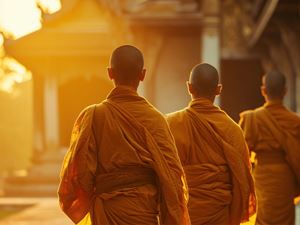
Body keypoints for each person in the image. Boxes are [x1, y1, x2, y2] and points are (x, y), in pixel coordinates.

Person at [58, 45, 190, 225]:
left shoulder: (94, 116)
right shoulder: (157, 120)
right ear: (142, 75)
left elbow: (79, 172)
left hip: (107, 211)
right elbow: (172, 177)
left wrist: (97, 194)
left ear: (110, 73)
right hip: (143, 210)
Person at [167, 63, 256, 225]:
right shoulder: (233, 129)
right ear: (218, 89)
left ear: (189, 87)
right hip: (220, 215)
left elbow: (164, 175)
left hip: (185, 215)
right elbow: (241, 182)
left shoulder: (171, 124)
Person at [239, 70, 300, 225]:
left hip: (262, 179)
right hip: (285, 180)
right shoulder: (295, 122)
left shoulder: (252, 118)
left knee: (262, 217)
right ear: (285, 91)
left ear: (263, 91)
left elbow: (241, 154)